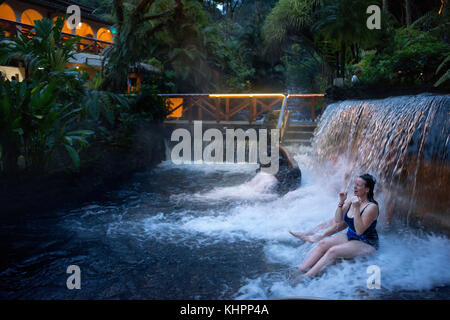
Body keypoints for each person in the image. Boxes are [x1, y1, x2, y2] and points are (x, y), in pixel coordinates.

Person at [296, 174, 379, 277]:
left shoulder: (371, 207)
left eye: (358, 185)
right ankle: (300, 270)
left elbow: (359, 231)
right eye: (355, 184)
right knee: (323, 243)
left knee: (333, 251)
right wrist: (341, 202)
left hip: (366, 242)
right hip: (351, 236)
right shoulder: (352, 199)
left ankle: (306, 277)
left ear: (367, 189)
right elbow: (338, 220)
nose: (354, 187)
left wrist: (356, 208)